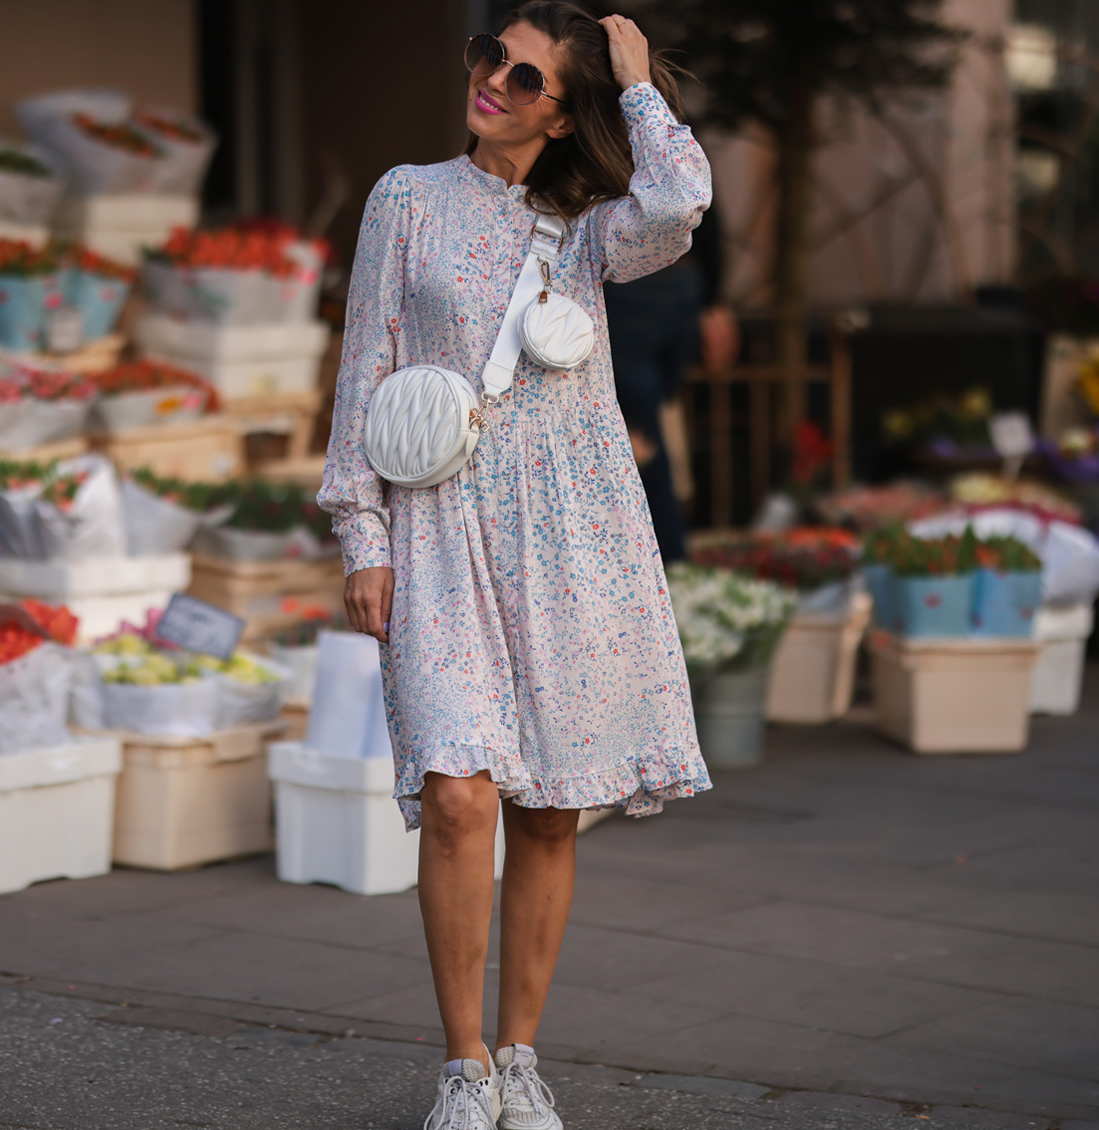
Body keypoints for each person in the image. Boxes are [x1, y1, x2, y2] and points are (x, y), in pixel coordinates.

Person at [317, 6, 712, 1127]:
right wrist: (363, 533)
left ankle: (523, 1053)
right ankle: (463, 1062)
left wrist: (634, 81)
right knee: (456, 793)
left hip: (572, 533)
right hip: (439, 528)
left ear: (562, 108)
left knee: (546, 809)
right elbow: (365, 365)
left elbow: (681, 202)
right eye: (490, 52)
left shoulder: (589, 227)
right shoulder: (404, 197)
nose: (492, 77)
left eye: (524, 73)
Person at [602, 215, 735, 562]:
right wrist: (713, 298)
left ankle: (660, 567)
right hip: (677, 279)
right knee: (647, 434)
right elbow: (701, 205)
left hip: (620, 287)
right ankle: (668, 566)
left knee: (638, 442)